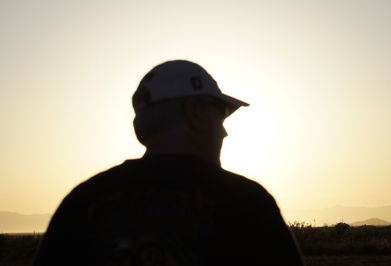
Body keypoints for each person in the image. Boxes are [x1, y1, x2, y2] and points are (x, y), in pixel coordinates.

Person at [33, 60, 304, 266]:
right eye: (220, 116)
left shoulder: (83, 201)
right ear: (195, 112)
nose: (224, 132)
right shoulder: (247, 202)